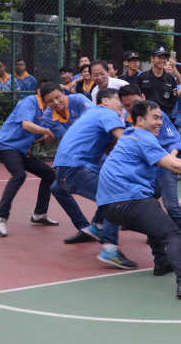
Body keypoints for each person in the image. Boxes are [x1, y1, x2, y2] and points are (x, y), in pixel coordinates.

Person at [96, 101, 181, 299]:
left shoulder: (130, 136)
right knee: (174, 234)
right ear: (140, 120)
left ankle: (162, 262)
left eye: (161, 118)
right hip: (128, 199)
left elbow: (176, 161)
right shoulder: (143, 138)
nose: (160, 122)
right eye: (155, 117)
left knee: (154, 221)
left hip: (109, 208)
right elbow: (175, 167)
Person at [119, 85, 181, 273]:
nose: (131, 107)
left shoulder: (155, 116)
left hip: (165, 169)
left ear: (142, 97)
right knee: (146, 212)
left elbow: (174, 142)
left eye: (134, 102)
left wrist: (171, 159)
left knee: (172, 207)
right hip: (146, 174)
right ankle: (161, 258)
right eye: (126, 105)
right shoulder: (127, 122)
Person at [50, 88, 133, 268]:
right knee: (115, 198)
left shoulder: (92, 115)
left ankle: (98, 226)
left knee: (57, 188)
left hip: (66, 169)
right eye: (118, 99)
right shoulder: (107, 113)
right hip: (74, 169)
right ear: (105, 101)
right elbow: (126, 141)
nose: (122, 104)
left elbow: (110, 149)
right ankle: (109, 249)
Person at [0, 81, 66, 238]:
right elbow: (26, 125)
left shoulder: (48, 112)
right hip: (7, 146)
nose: (54, 101)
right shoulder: (30, 101)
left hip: (22, 151)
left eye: (56, 97)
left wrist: (46, 135)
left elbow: (42, 132)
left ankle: (39, 214)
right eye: (49, 97)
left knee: (49, 174)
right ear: (40, 94)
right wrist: (47, 131)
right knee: (19, 175)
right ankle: (0, 216)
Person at [137, 46, 180, 121]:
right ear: (152, 58)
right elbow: (138, 96)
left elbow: (173, 99)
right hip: (146, 117)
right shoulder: (142, 77)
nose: (162, 61)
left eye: (164, 58)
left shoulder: (170, 79)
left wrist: (167, 112)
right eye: (159, 58)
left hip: (164, 117)